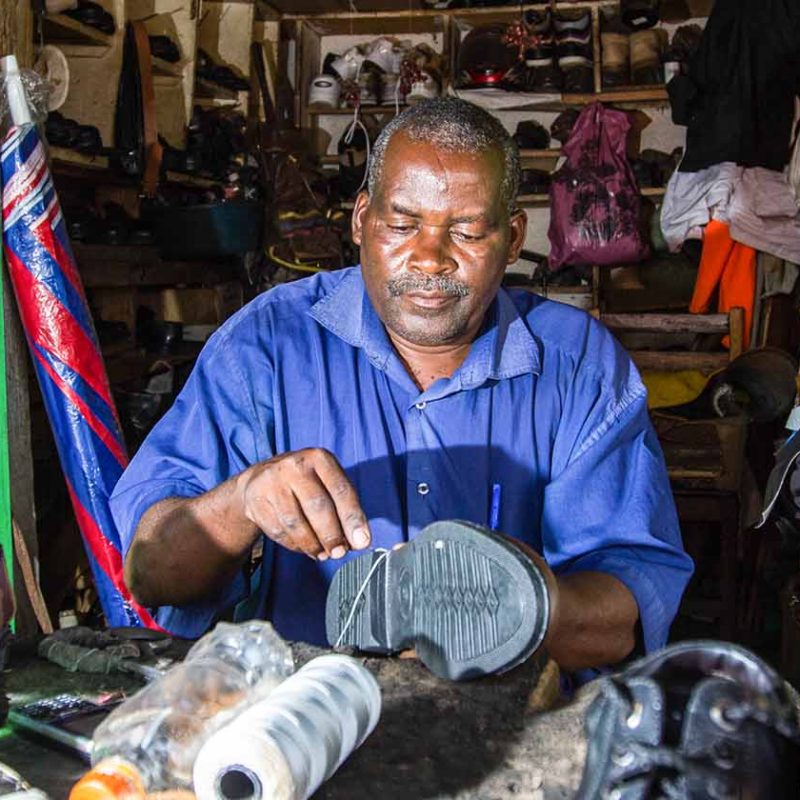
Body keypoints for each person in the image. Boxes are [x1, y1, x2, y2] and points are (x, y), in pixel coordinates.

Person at [111, 97, 693, 673]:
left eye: (466, 231)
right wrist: (242, 501)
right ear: (362, 221)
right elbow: (151, 573)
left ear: (513, 238)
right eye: (402, 225)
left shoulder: (579, 366)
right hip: (304, 715)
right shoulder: (265, 347)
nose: (431, 258)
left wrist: (527, 613)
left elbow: (629, 610)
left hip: (512, 720)